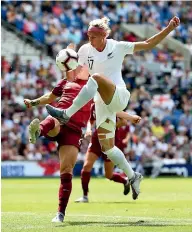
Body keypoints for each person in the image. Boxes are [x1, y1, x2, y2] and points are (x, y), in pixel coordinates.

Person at [45, 16, 180, 200]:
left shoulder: (117, 46)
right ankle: (133, 176)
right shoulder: (85, 50)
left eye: (92, 36)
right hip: (102, 104)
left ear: (103, 36)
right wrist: (67, 64)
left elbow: (148, 44)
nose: (89, 39)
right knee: (108, 148)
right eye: (88, 35)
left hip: (118, 95)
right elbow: (79, 77)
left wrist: (169, 28)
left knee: (97, 77)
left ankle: (66, 114)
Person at [24, 66, 92, 223]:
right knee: (52, 119)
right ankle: (37, 131)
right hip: (59, 118)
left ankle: (60, 213)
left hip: (74, 130)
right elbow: (50, 97)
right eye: (78, 64)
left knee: (66, 170)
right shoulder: (65, 81)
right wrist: (33, 102)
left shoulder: (93, 85)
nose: (80, 67)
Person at [75, 103, 141, 203]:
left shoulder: (111, 104)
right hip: (96, 140)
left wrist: (109, 127)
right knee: (86, 166)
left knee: (108, 175)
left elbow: (123, 122)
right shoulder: (95, 105)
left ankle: (125, 181)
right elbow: (91, 120)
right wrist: (88, 129)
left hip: (110, 140)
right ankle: (85, 196)